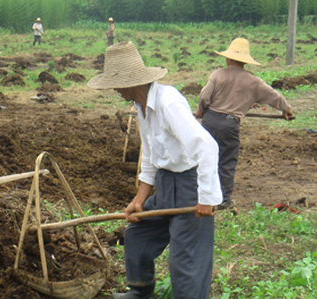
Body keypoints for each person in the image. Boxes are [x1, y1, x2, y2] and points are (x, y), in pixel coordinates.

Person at [88, 41, 222, 299]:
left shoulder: (168, 103)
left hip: (189, 187)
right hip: (165, 186)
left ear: (129, 81)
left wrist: (206, 199)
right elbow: (150, 157)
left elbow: (207, 147)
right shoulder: (141, 106)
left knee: (185, 260)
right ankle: (141, 293)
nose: (114, 89)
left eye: (115, 84)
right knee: (138, 233)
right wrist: (139, 200)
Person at [195, 38, 293, 210]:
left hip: (210, 120)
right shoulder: (253, 81)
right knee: (226, 162)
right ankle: (223, 201)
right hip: (229, 124)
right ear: (245, 61)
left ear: (228, 59)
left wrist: (201, 111)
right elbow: (274, 97)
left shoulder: (217, 75)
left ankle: (200, 196)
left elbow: (204, 97)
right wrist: (286, 110)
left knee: (205, 157)